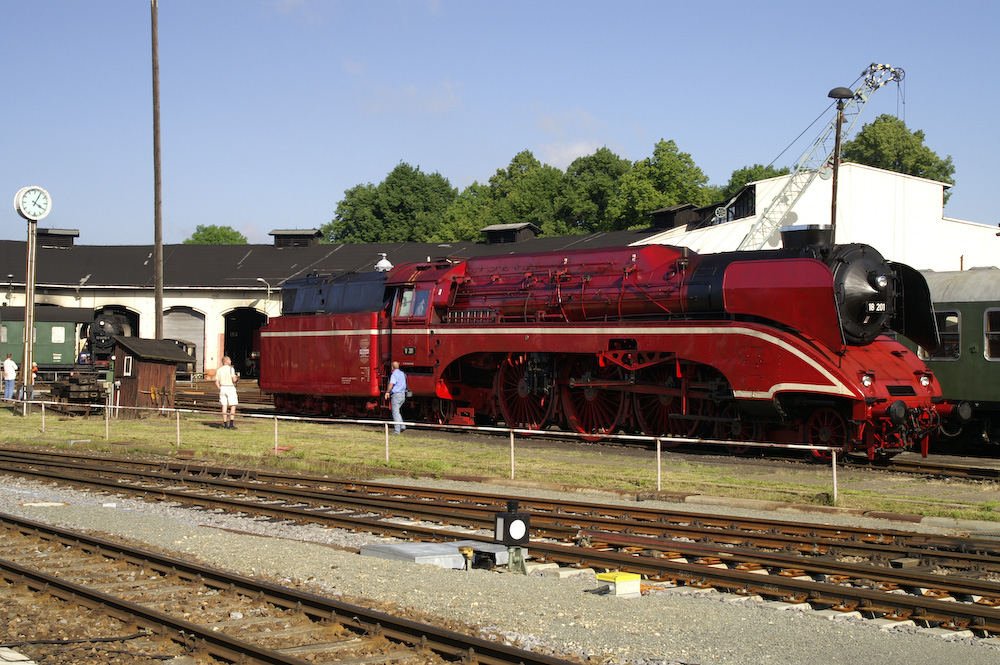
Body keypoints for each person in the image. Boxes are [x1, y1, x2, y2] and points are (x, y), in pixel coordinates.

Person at [215, 355, 239, 429]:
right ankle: (231, 424)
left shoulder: (219, 370)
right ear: (227, 361)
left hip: (222, 388)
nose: (230, 361)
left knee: (224, 406)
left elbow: (216, 382)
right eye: (229, 360)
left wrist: (220, 388)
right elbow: (234, 379)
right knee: (233, 405)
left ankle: (225, 423)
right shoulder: (231, 369)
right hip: (230, 388)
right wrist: (237, 378)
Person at [384, 361, 407, 434]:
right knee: (397, 411)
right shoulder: (402, 373)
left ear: (392, 367)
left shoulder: (394, 374)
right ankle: (402, 426)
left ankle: (397, 430)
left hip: (396, 395)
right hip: (403, 395)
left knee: (395, 412)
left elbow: (391, 384)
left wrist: (387, 392)